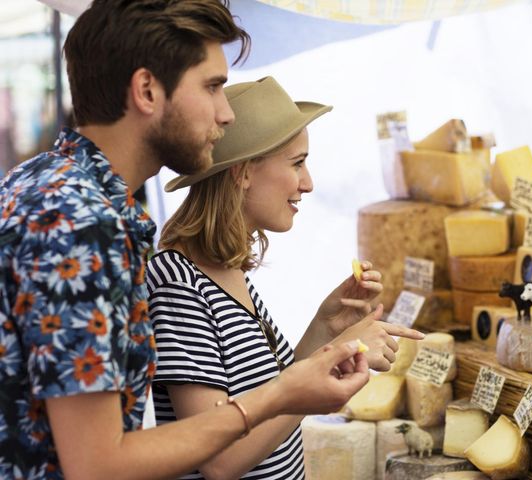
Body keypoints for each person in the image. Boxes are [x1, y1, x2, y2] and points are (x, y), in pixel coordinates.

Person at [0, 2, 373, 479]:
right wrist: (282, 395)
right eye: (212, 87)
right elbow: (97, 466)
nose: (226, 116)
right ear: (147, 91)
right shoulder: (83, 223)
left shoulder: (48, 185)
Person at [148, 76, 425, 479]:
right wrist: (334, 357)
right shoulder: (177, 280)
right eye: (297, 163)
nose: (307, 183)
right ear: (242, 172)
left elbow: (267, 395)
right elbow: (217, 460)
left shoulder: (225, 270)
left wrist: (325, 327)